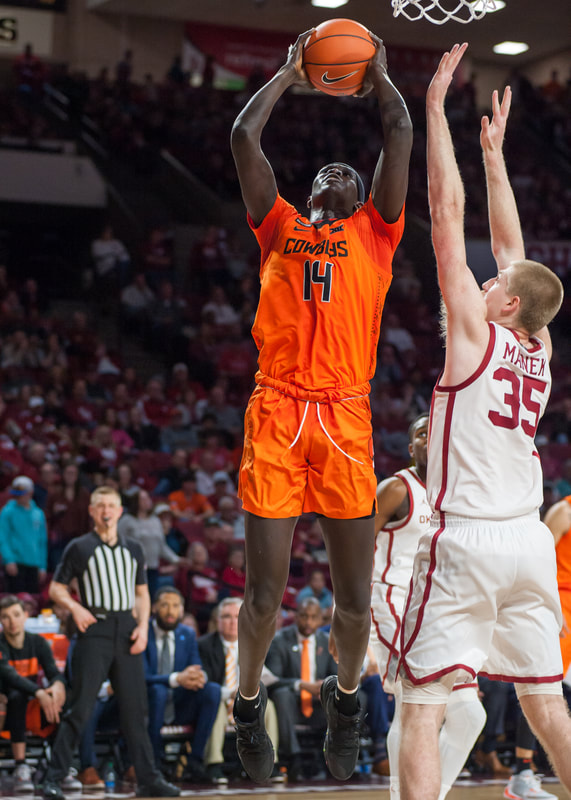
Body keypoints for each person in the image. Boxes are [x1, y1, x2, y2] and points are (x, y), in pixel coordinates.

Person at [229, 26, 412, 783]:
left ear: (364, 197)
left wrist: (378, 73)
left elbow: (397, 131)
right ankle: (246, 708)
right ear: (308, 193)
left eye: (349, 171)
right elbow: (244, 137)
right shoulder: (277, 225)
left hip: (343, 415)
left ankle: (345, 702)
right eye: (325, 170)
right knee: (263, 594)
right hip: (276, 410)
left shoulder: (376, 233)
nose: (336, 170)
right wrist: (287, 73)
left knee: (352, 599)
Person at [396, 44, 569, 800]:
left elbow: (445, 214)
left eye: (496, 283)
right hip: (528, 541)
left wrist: (436, 112)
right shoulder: (540, 344)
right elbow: (512, 251)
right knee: (545, 705)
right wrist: (494, 156)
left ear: (506, 303)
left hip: (466, 537)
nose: (488, 279)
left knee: (421, 704)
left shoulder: (473, 331)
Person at [371, 414, 486, 799]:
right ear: (412, 447)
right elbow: (355, 548)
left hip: (437, 610)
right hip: (391, 600)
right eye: (422, 432)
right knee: (412, 704)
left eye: (436, 431)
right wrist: (344, 612)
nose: (430, 437)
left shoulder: (458, 494)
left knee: (470, 715)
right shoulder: (396, 488)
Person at [41, 486, 180, 800]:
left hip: (127, 629)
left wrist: (143, 628)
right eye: (100, 505)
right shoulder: (80, 547)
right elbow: (56, 588)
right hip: (95, 629)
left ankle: (148, 779)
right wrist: (76, 607)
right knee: (80, 708)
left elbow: (142, 593)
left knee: (136, 711)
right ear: (92, 511)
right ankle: (52, 779)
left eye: (111, 506)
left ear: (119, 512)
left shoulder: (134, 548)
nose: (106, 511)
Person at [198, 598, 280, 785]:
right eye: (226, 616)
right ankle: (213, 764)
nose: (232, 621)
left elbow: (266, 675)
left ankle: (270, 762)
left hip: (245, 699)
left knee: (269, 707)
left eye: (237, 617)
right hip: (219, 698)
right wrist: (229, 694)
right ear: (217, 620)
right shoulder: (204, 645)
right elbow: (204, 682)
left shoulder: (253, 644)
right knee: (215, 708)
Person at [143, 587, 220, 781]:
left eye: (176, 606)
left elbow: (195, 666)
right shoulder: (143, 631)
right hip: (147, 704)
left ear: (182, 609)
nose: (171, 611)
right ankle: (154, 762)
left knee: (212, 690)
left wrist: (198, 677)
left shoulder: (187, 634)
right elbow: (141, 676)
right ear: (154, 608)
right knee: (158, 691)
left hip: (179, 705)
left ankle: (195, 761)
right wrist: (176, 679)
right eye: (165, 605)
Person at [265, 597, 338, 781]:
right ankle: (293, 758)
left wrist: (324, 686)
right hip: (291, 706)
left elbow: (337, 675)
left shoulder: (328, 641)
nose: (308, 622)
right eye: (304, 616)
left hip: (319, 705)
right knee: (282, 695)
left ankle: (334, 757)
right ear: (296, 616)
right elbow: (273, 679)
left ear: (321, 619)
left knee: (347, 696)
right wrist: (303, 685)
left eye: (314, 617)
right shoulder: (279, 640)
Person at [0, 596, 66, 793]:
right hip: (7, 709)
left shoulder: (38, 642)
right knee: (17, 696)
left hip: (34, 705)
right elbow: (10, 677)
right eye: (5, 617)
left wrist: (57, 686)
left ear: (26, 616)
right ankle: (21, 766)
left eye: (16, 615)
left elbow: (54, 673)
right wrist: (39, 692)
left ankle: (60, 766)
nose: (12, 621)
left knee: (59, 698)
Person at [0, 476, 47, 594]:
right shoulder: (7, 512)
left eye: (21, 494)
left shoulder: (38, 513)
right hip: (16, 562)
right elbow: (3, 537)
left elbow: (42, 542)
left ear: (30, 492)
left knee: (32, 599)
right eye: (16, 494)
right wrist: (9, 560)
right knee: (15, 598)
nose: (18, 497)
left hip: (34, 563)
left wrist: (42, 566)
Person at [544, 494, 571, 684]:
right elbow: (540, 560)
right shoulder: (564, 511)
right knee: (551, 678)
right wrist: (551, 604)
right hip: (562, 602)